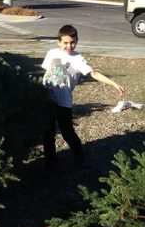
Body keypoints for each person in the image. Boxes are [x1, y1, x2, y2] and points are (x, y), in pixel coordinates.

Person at [42, 25, 125, 170]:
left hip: (63, 102)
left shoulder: (78, 59)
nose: (69, 46)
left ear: (77, 41)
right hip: (46, 99)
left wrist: (113, 83)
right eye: (65, 42)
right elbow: (47, 72)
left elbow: (93, 74)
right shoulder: (51, 53)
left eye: (72, 42)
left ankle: (79, 159)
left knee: (67, 133)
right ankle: (51, 162)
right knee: (47, 132)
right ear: (59, 42)